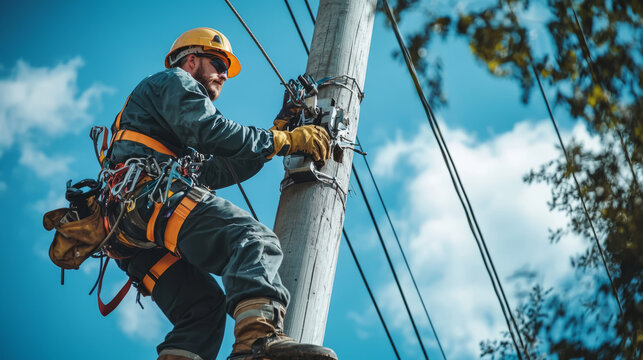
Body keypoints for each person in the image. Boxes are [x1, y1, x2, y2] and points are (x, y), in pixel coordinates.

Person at [105, 27, 338, 360]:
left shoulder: (168, 129)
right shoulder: (173, 81)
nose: (224, 74)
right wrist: (283, 141)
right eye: (217, 62)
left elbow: (218, 170)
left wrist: (274, 138)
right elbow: (210, 130)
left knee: (202, 307)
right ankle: (258, 344)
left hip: (132, 233)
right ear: (190, 60)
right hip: (151, 201)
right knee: (253, 239)